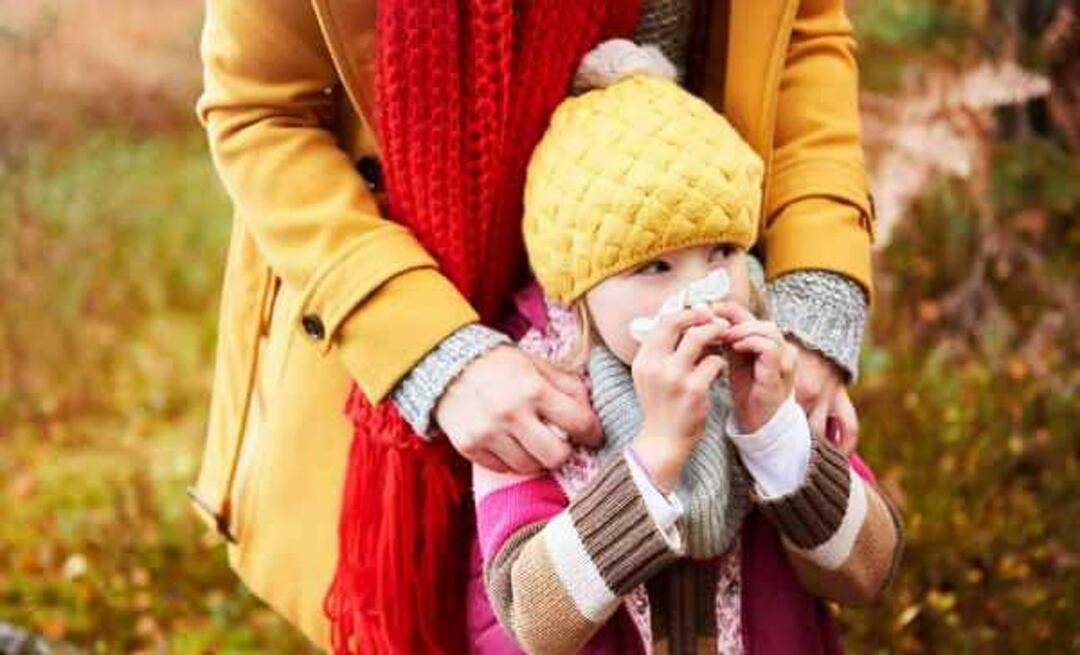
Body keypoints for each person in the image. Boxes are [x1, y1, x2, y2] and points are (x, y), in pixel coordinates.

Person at [190, 0, 877, 650]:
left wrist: (811, 300)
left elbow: (801, 31)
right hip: (439, 310)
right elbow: (261, 110)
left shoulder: (750, 364)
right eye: (677, 273)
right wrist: (431, 353)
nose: (695, 294)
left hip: (710, 209)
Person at [470, 42, 902, 654]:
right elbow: (537, 621)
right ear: (580, 288)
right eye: (655, 266)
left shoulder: (766, 360)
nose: (699, 294)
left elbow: (867, 569)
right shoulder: (533, 391)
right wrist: (659, 450)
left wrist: (775, 434)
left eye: (721, 253)